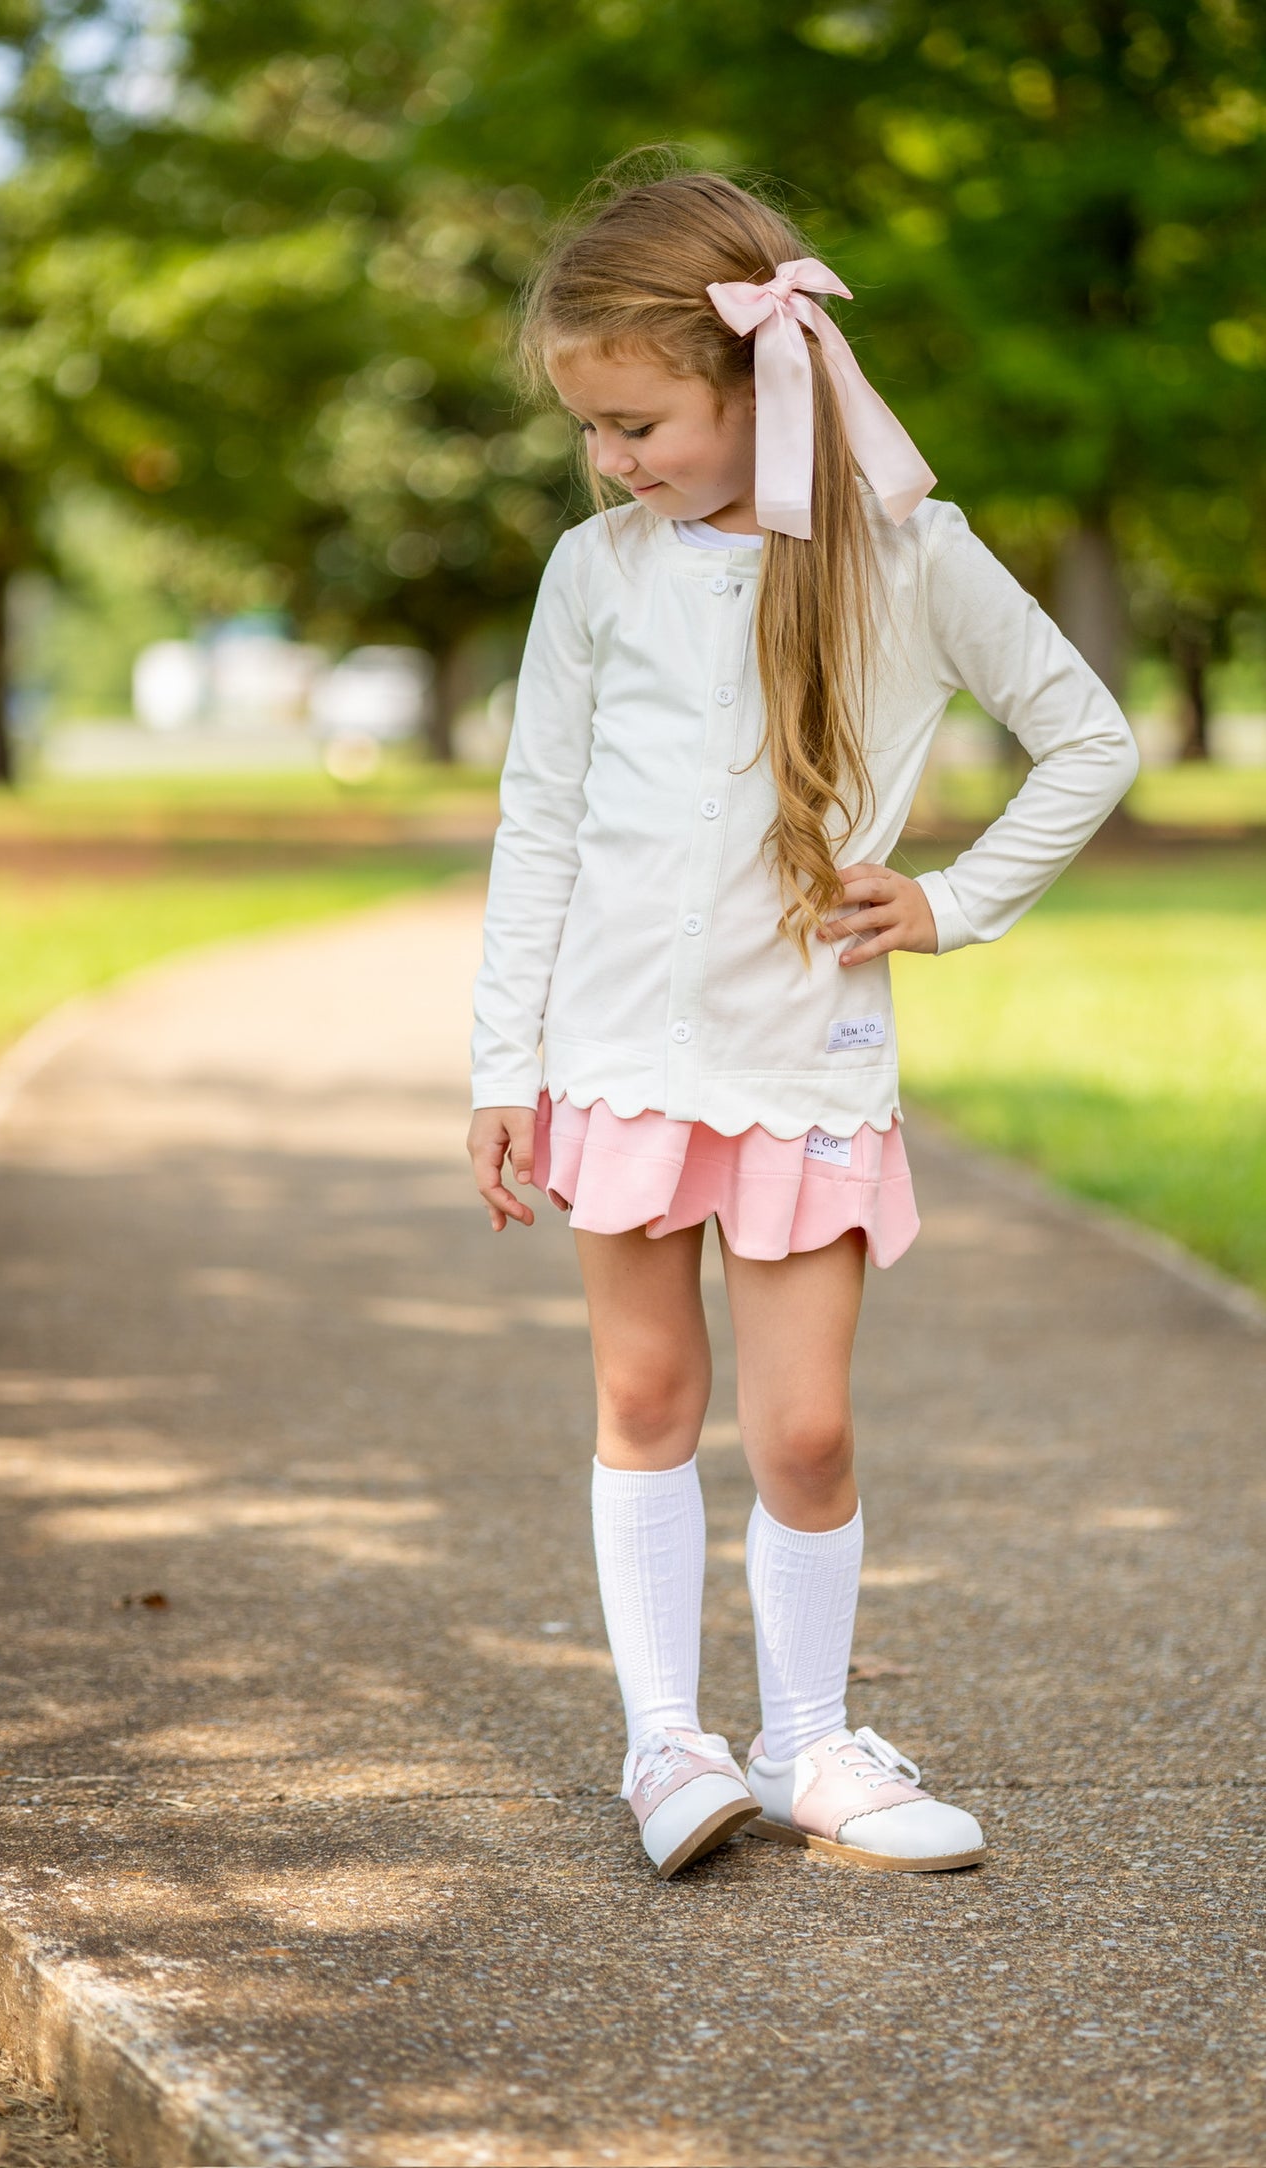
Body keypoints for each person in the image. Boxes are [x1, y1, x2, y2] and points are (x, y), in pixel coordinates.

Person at [466, 165, 1139, 1882]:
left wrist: (951, 901)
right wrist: (503, 1070)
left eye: (635, 424)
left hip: (800, 1066)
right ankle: (664, 1743)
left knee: (806, 1429)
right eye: (590, 429)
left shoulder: (909, 551)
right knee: (642, 1392)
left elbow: (1088, 738)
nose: (609, 459)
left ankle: (809, 1743)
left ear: (756, 383)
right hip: (618, 1058)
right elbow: (538, 825)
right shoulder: (593, 573)